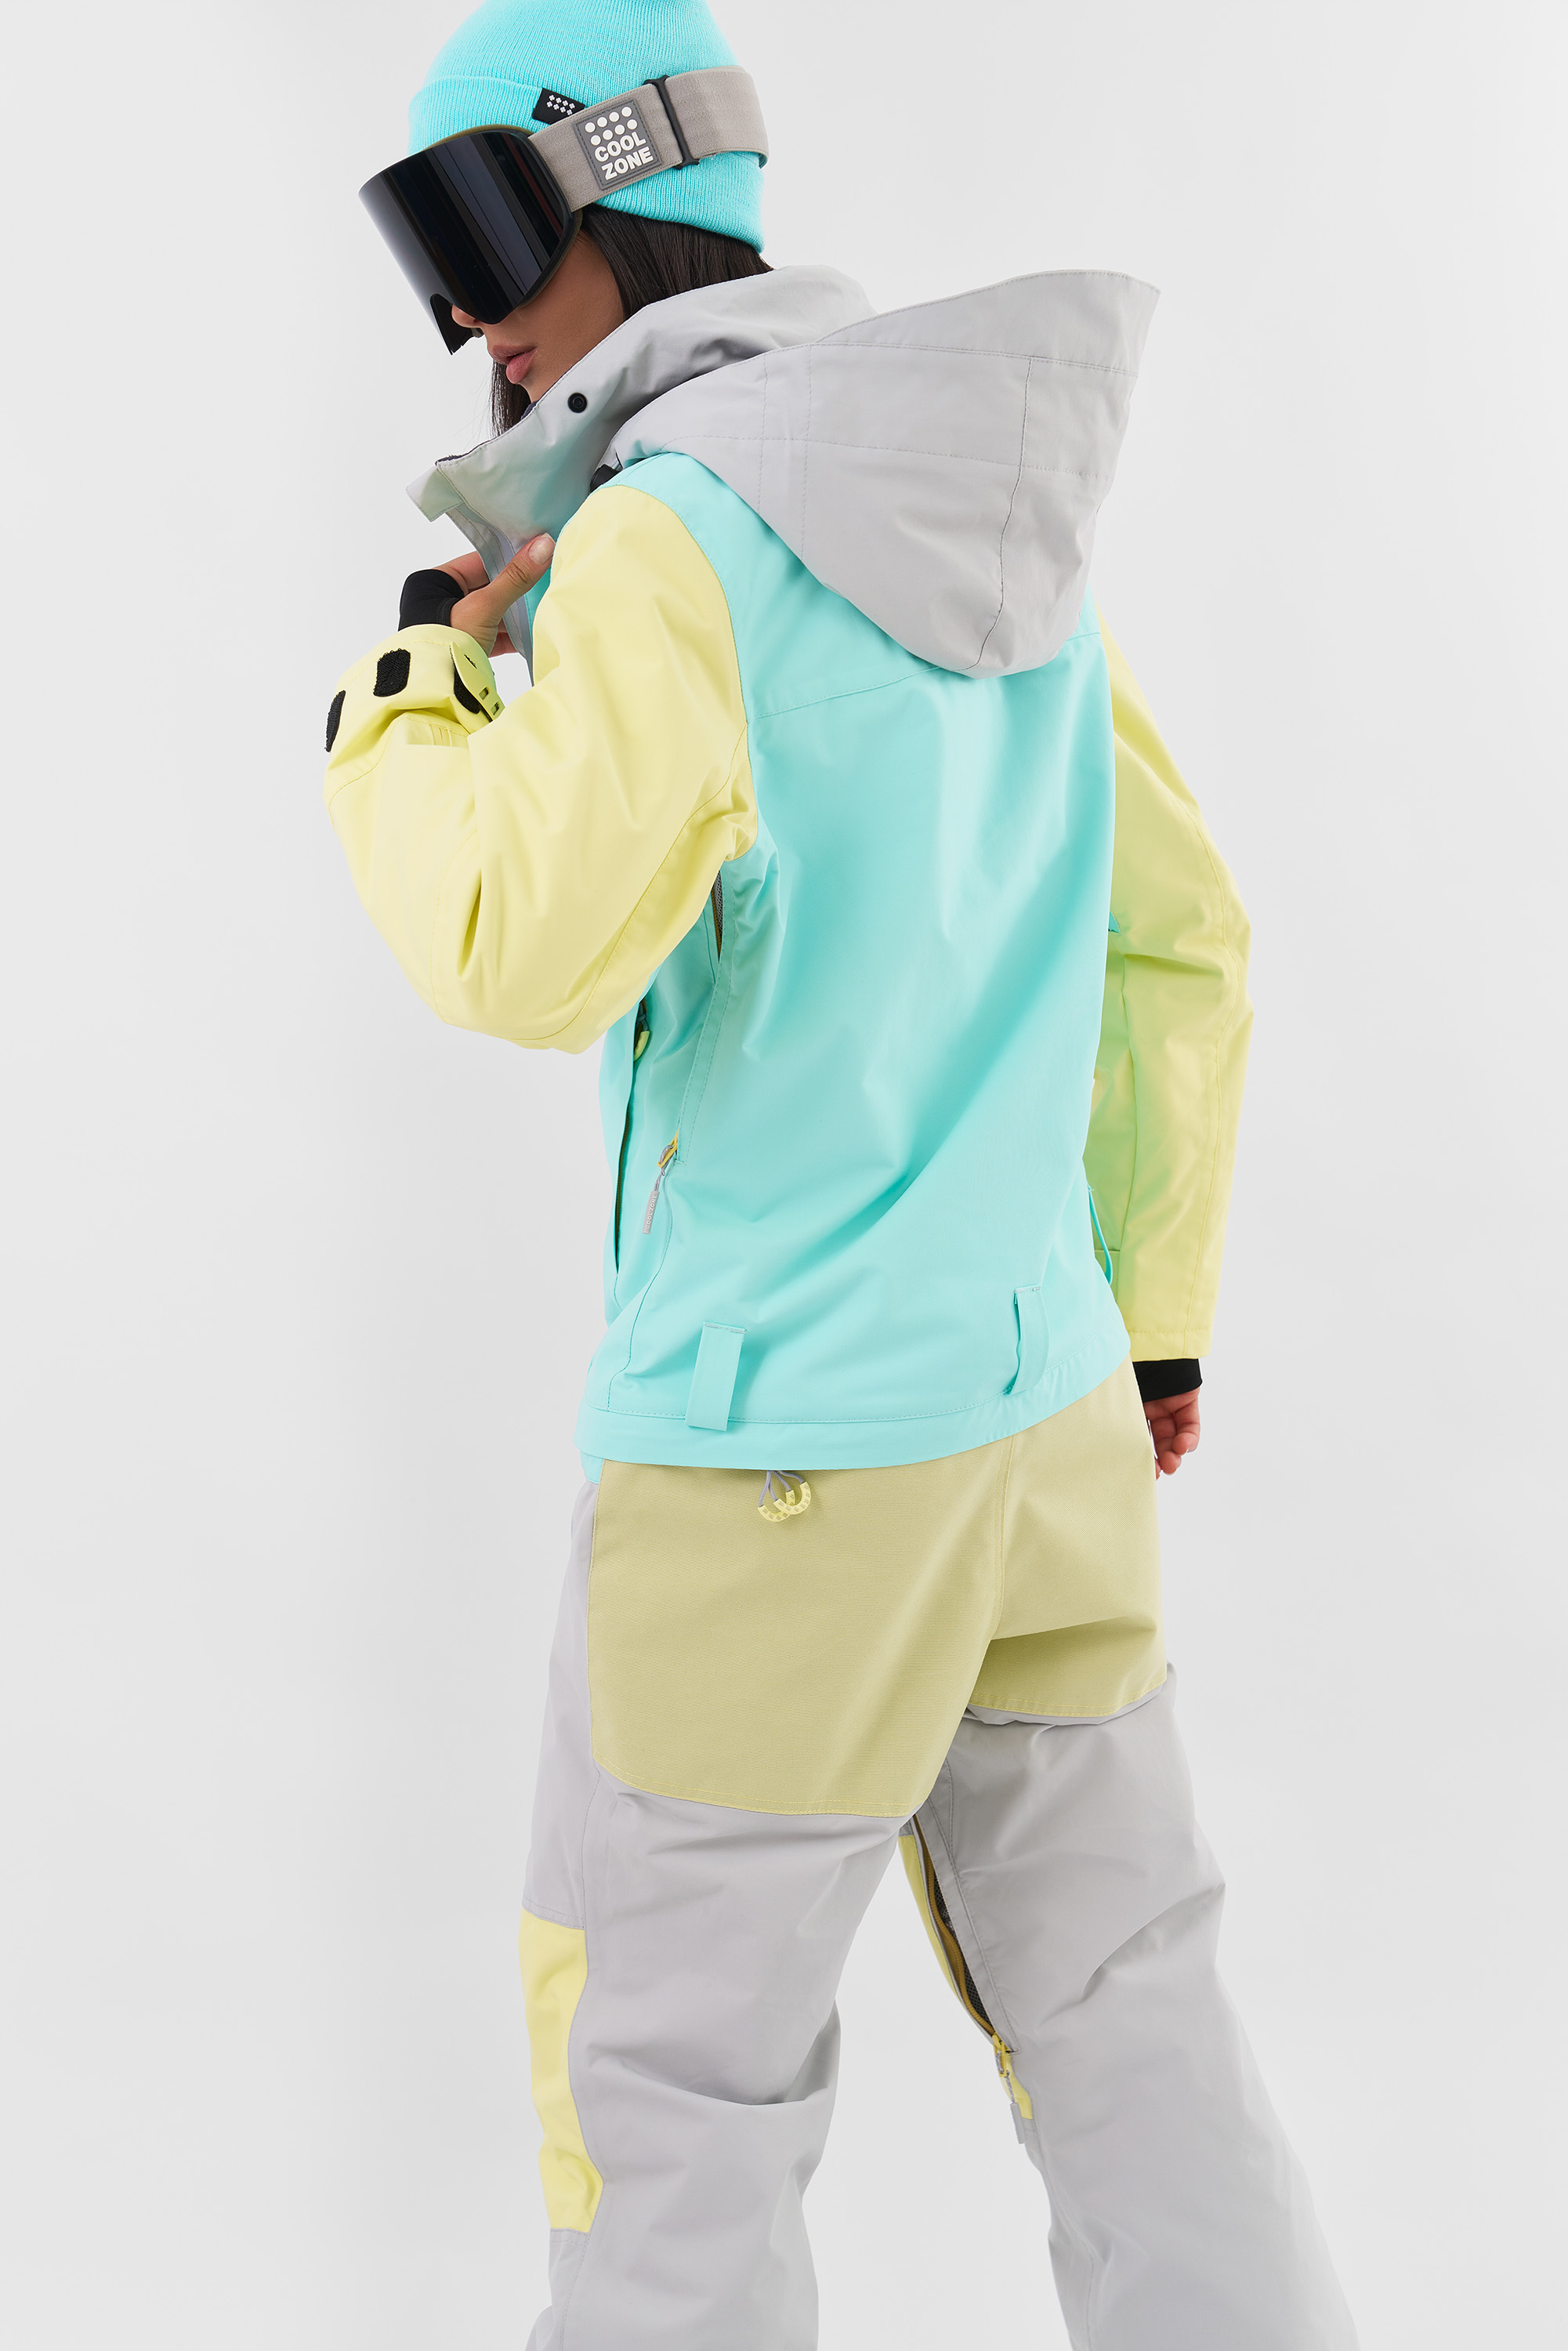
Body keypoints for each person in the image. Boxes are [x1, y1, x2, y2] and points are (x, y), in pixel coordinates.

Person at [324, 3, 1360, 2344]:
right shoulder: (996, 505)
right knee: (1130, 2016)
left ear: (596, 194)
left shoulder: (671, 539)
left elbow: (513, 940)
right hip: (1043, 1426)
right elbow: (1180, 933)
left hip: (772, 1461)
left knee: (667, 2092)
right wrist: (1149, 1318)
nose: (467, 325)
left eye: (466, 239)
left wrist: (415, 695)